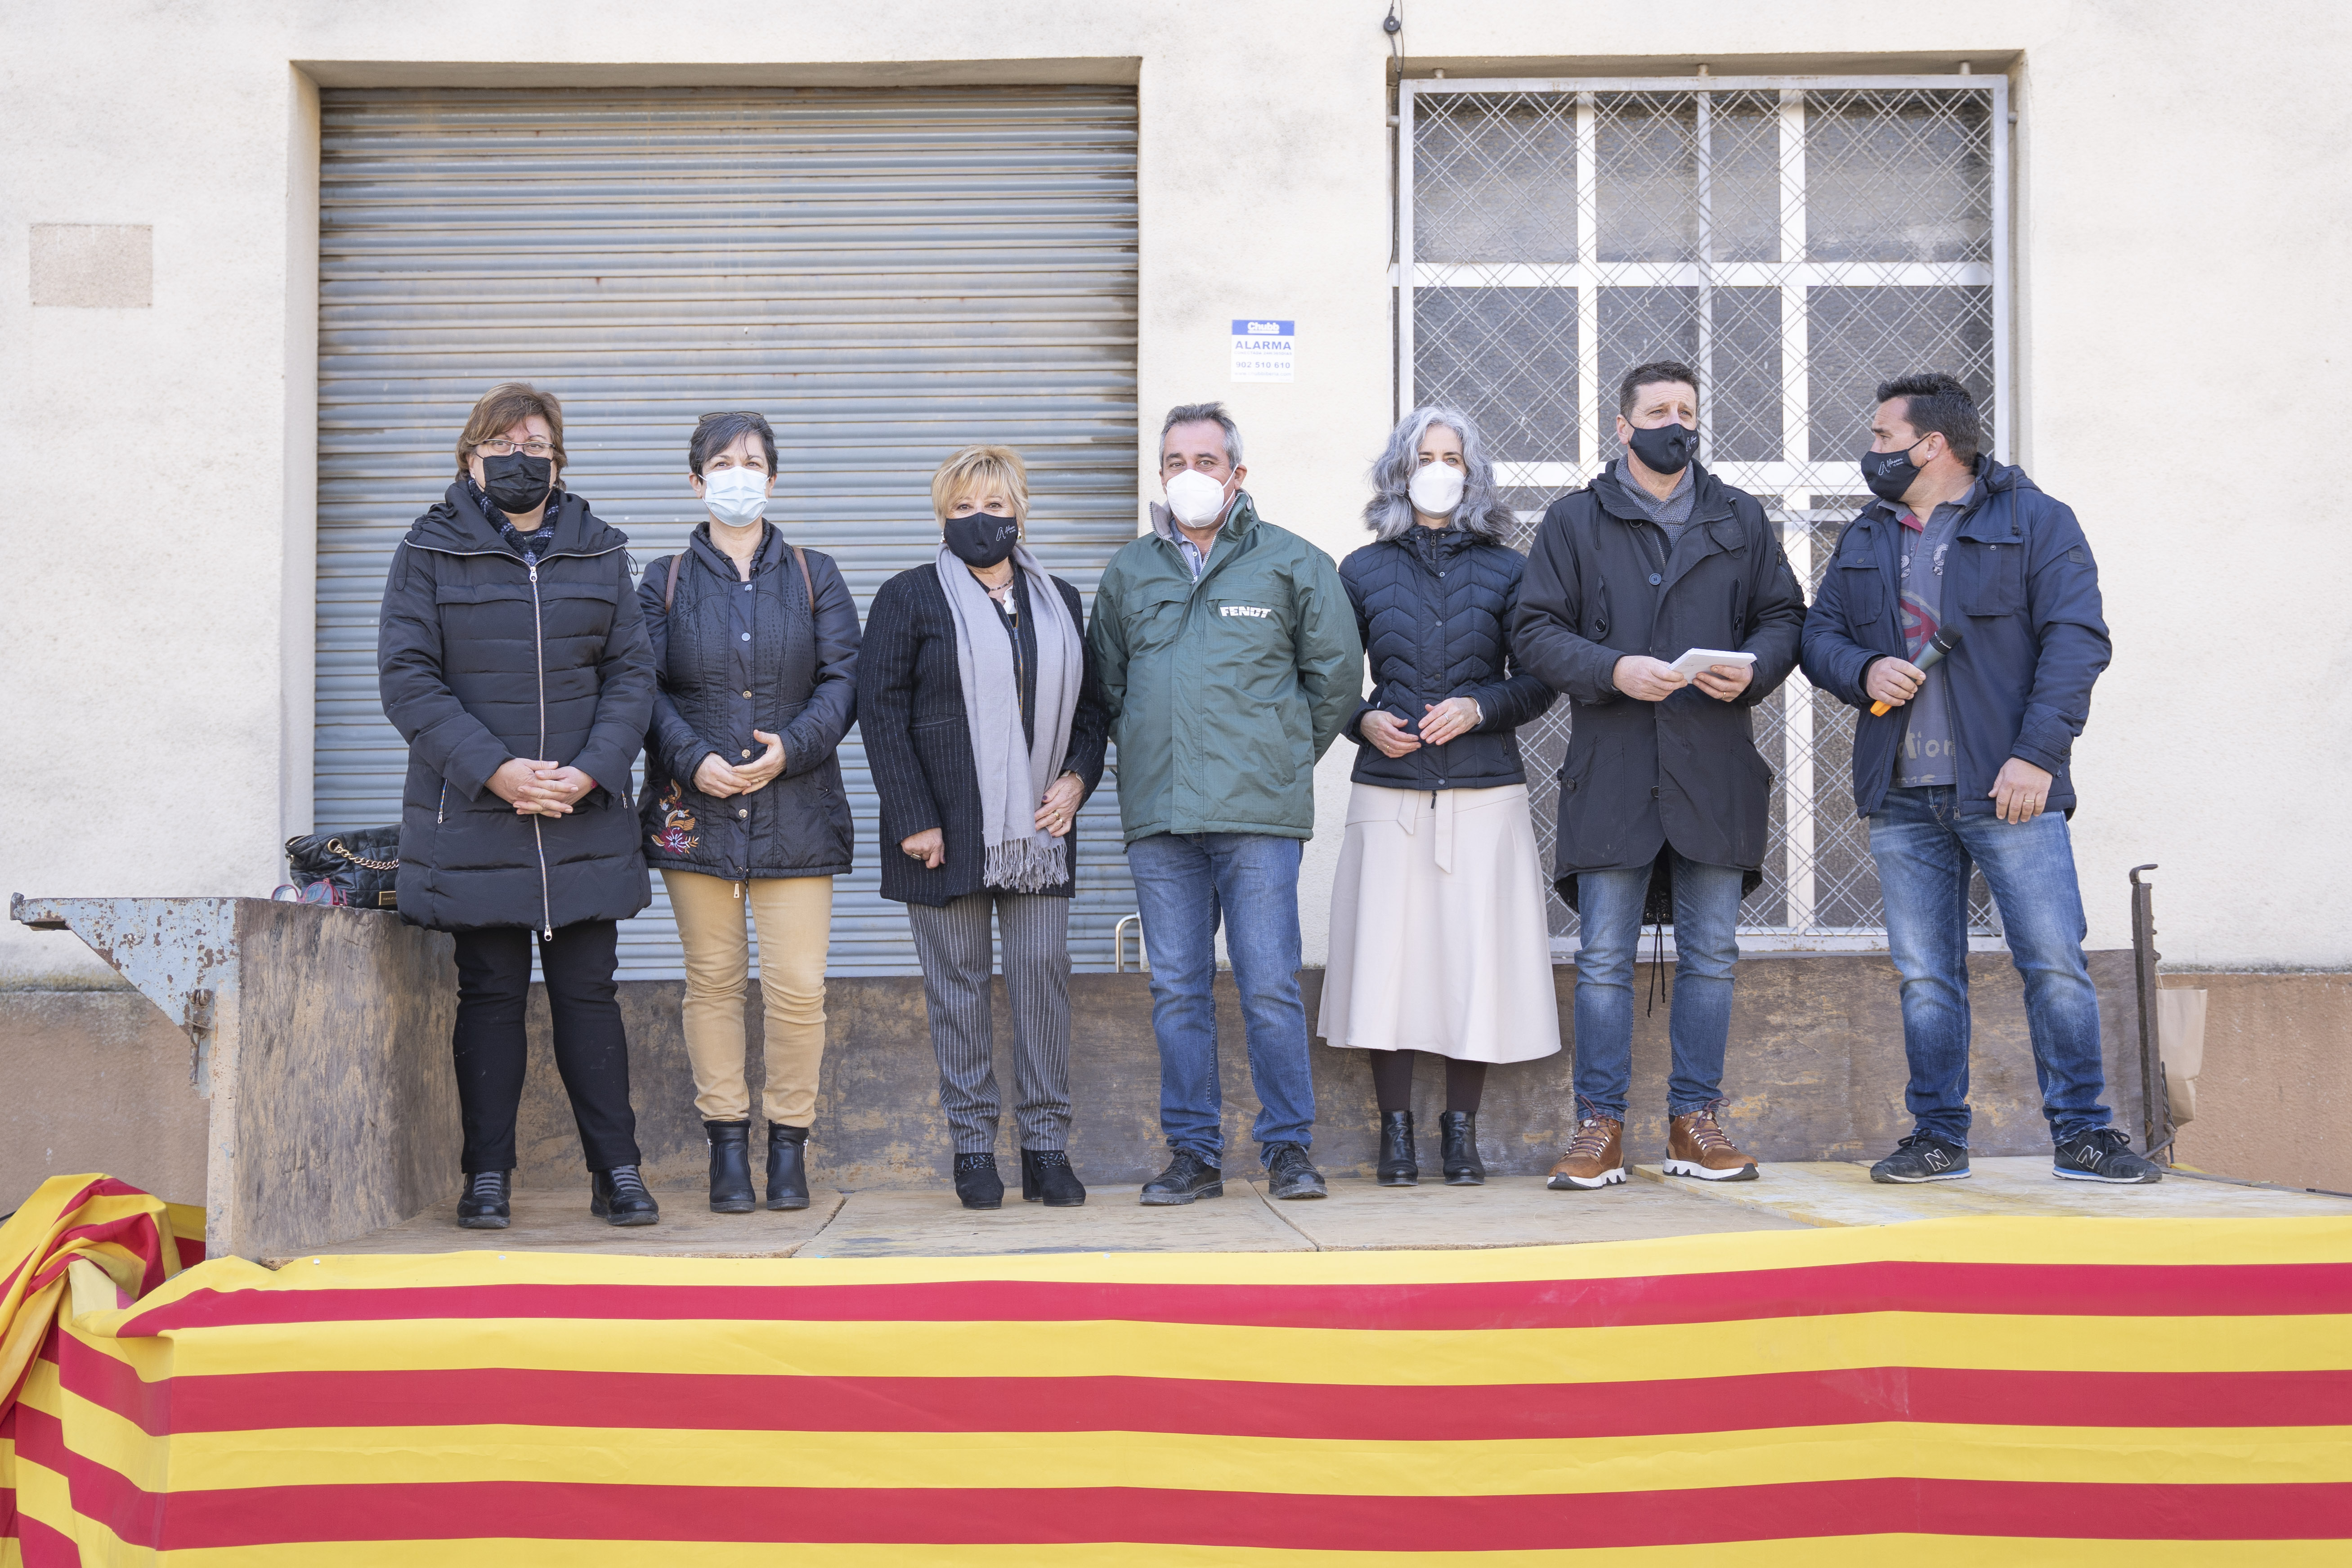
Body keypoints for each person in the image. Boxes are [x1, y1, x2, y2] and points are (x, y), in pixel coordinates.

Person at [1801, 372, 2162, 1185]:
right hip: (1900, 790)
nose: (1870, 451)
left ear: (1931, 444)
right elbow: (1818, 636)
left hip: (2009, 787)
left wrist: (2037, 755)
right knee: (1925, 976)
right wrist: (1863, 669)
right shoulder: (1867, 533)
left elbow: (2076, 641)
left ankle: (2083, 1134)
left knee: (2052, 963)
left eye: (1883, 437)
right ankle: (1937, 1136)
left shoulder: (2035, 520)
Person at [1511, 360, 1807, 1191]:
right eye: (1657, 411)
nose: (1674, 424)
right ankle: (1598, 1126)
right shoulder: (1574, 520)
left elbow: (1784, 616)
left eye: (1686, 410)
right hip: (1613, 771)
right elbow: (1533, 630)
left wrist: (1753, 669)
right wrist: (1611, 668)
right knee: (1604, 958)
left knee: (1711, 956)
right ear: (1622, 426)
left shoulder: (1738, 516)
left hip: (1714, 769)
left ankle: (1694, 1122)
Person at [378, 382, 660, 1230]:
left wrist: (593, 770)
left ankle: (618, 1171)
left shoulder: (600, 550)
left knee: (590, 995)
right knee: (490, 995)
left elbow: (632, 674)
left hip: (582, 814)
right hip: (477, 815)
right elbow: (408, 679)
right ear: (470, 458)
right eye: (501, 445)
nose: (519, 459)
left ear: (558, 461)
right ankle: (487, 1176)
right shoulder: (427, 550)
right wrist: (495, 770)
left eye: (536, 446)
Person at [1090, 402, 1363, 1206]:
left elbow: (1335, 681)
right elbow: (1109, 687)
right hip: (1161, 818)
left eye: (1205, 461)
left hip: (1257, 817)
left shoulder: (1293, 562)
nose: (1190, 475)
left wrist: (1278, 759)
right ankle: (1194, 1155)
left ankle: (1288, 1150)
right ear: (1161, 473)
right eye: (1175, 461)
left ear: (1236, 474)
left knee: (1269, 984)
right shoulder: (1130, 572)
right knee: (1176, 989)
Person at [860, 445, 1110, 1210]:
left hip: (1038, 829)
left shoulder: (1060, 600)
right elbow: (880, 712)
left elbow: (1092, 709)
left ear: (1019, 512)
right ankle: (972, 1148)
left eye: (995, 506)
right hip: (940, 832)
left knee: (1041, 977)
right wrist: (913, 818)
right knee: (958, 987)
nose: (980, 519)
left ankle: (1045, 1147)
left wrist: (1077, 780)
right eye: (964, 506)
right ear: (943, 514)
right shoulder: (908, 596)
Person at [1322, 407, 1561, 1187]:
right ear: (1399, 469)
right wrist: (1361, 719)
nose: (1437, 468)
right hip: (1387, 793)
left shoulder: (1509, 570)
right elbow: (1326, 675)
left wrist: (1479, 707)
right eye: (1423, 456)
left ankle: (1460, 1131)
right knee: (1384, 965)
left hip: (1483, 793)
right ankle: (1394, 1132)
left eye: (1451, 457)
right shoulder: (1360, 569)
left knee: (1473, 963)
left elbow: (1540, 679)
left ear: (1472, 471)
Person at [639, 412, 860, 1215]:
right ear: (695, 481)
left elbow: (844, 679)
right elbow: (640, 686)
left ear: (773, 477)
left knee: (799, 988)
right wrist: (690, 757)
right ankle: (726, 1149)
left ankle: (789, 1146)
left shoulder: (814, 574)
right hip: (694, 813)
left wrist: (791, 748)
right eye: (722, 463)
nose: (739, 475)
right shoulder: (662, 580)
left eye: (753, 462)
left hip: (795, 810)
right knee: (713, 983)